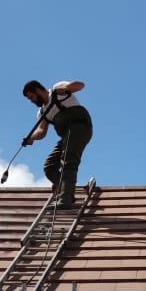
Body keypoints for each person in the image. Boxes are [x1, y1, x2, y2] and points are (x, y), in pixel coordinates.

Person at [22, 79, 92, 208]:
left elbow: (80, 85)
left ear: (37, 90)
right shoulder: (42, 112)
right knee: (49, 167)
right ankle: (64, 189)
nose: (32, 101)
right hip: (67, 135)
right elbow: (42, 131)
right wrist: (30, 138)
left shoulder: (57, 90)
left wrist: (65, 89)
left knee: (68, 160)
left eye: (31, 97)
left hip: (79, 127)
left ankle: (66, 200)